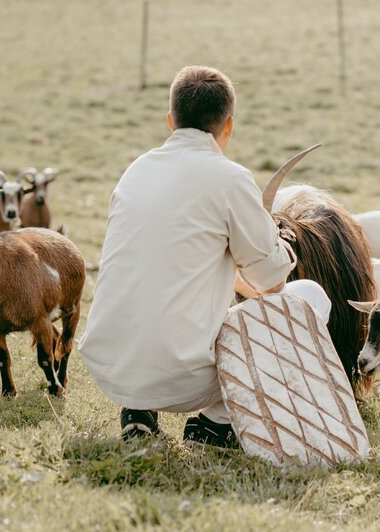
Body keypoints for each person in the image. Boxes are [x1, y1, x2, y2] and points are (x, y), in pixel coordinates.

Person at [79, 65, 331, 448]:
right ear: (228, 126)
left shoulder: (135, 171)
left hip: (111, 367)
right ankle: (215, 423)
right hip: (182, 378)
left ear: (170, 121)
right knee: (311, 296)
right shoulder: (229, 178)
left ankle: (138, 412)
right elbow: (272, 280)